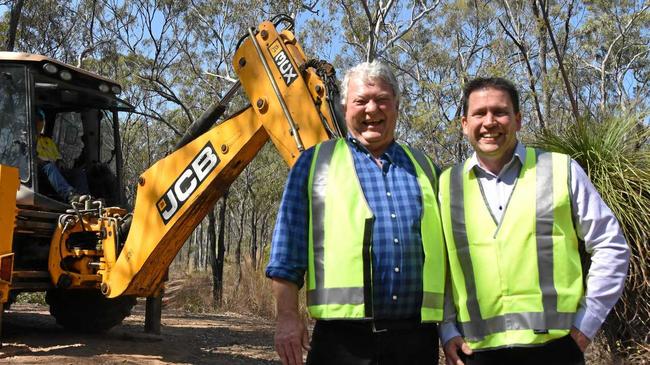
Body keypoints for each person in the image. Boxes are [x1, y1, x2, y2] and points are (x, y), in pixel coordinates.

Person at [438, 77, 630, 365]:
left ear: (517, 120)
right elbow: (436, 268)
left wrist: (584, 327)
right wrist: (447, 330)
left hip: (556, 350)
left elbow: (611, 246)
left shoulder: (560, 169)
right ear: (464, 124)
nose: (490, 122)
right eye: (479, 113)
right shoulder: (444, 185)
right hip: (477, 354)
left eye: (500, 112)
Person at [266, 61, 447, 365]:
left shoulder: (426, 168)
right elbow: (287, 254)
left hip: (415, 341)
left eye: (382, 100)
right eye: (360, 101)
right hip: (342, 344)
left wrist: (452, 328)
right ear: (345, 107)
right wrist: (287, 318)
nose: (371, 109)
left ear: (397, 107)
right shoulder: (315, 164)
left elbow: (451, 256)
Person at [35, 108, 90, 204]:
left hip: (54, 171)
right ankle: (70, 195)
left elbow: (58, 159)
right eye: (37, 119)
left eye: (41, 120)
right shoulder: (27, 141)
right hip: (38, 174)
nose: (39, 122)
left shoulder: (48, 141)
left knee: (78, 172)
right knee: (49, 167)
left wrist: (61, 165)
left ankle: (85, 199)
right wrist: (43, 162)